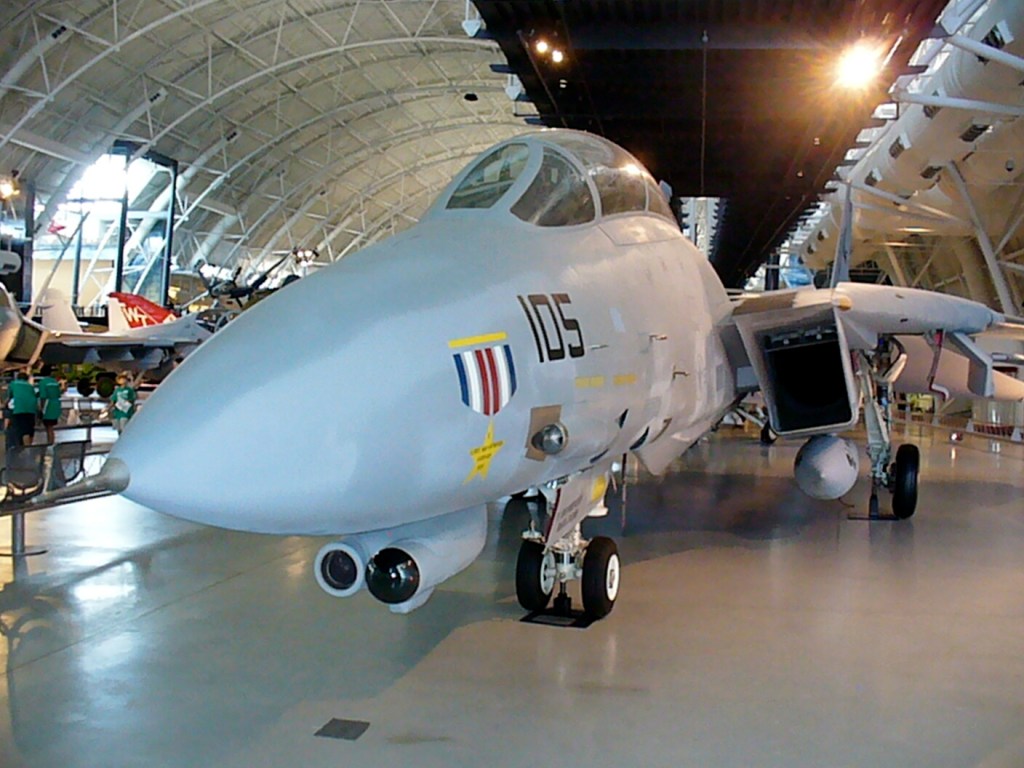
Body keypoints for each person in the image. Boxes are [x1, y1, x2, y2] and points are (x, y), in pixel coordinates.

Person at [4, 371, 38, 447]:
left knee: (19, 430)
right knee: (29, 430)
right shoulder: (30, 386)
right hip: (31, 410)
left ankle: (19, 448)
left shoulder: (13, 384)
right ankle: (29, 447)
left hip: (18, 410)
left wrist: (5, 405)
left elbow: (9, 397)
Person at [36, 364, 64, 445]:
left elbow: (43, 396)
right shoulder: (54, 382)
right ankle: (50, 442)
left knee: (48, 427)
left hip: (48, 406)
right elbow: (58, 393)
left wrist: (41, 409)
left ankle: (50, 443)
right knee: (50, 427)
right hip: (55, 405)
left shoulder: (42, 382)